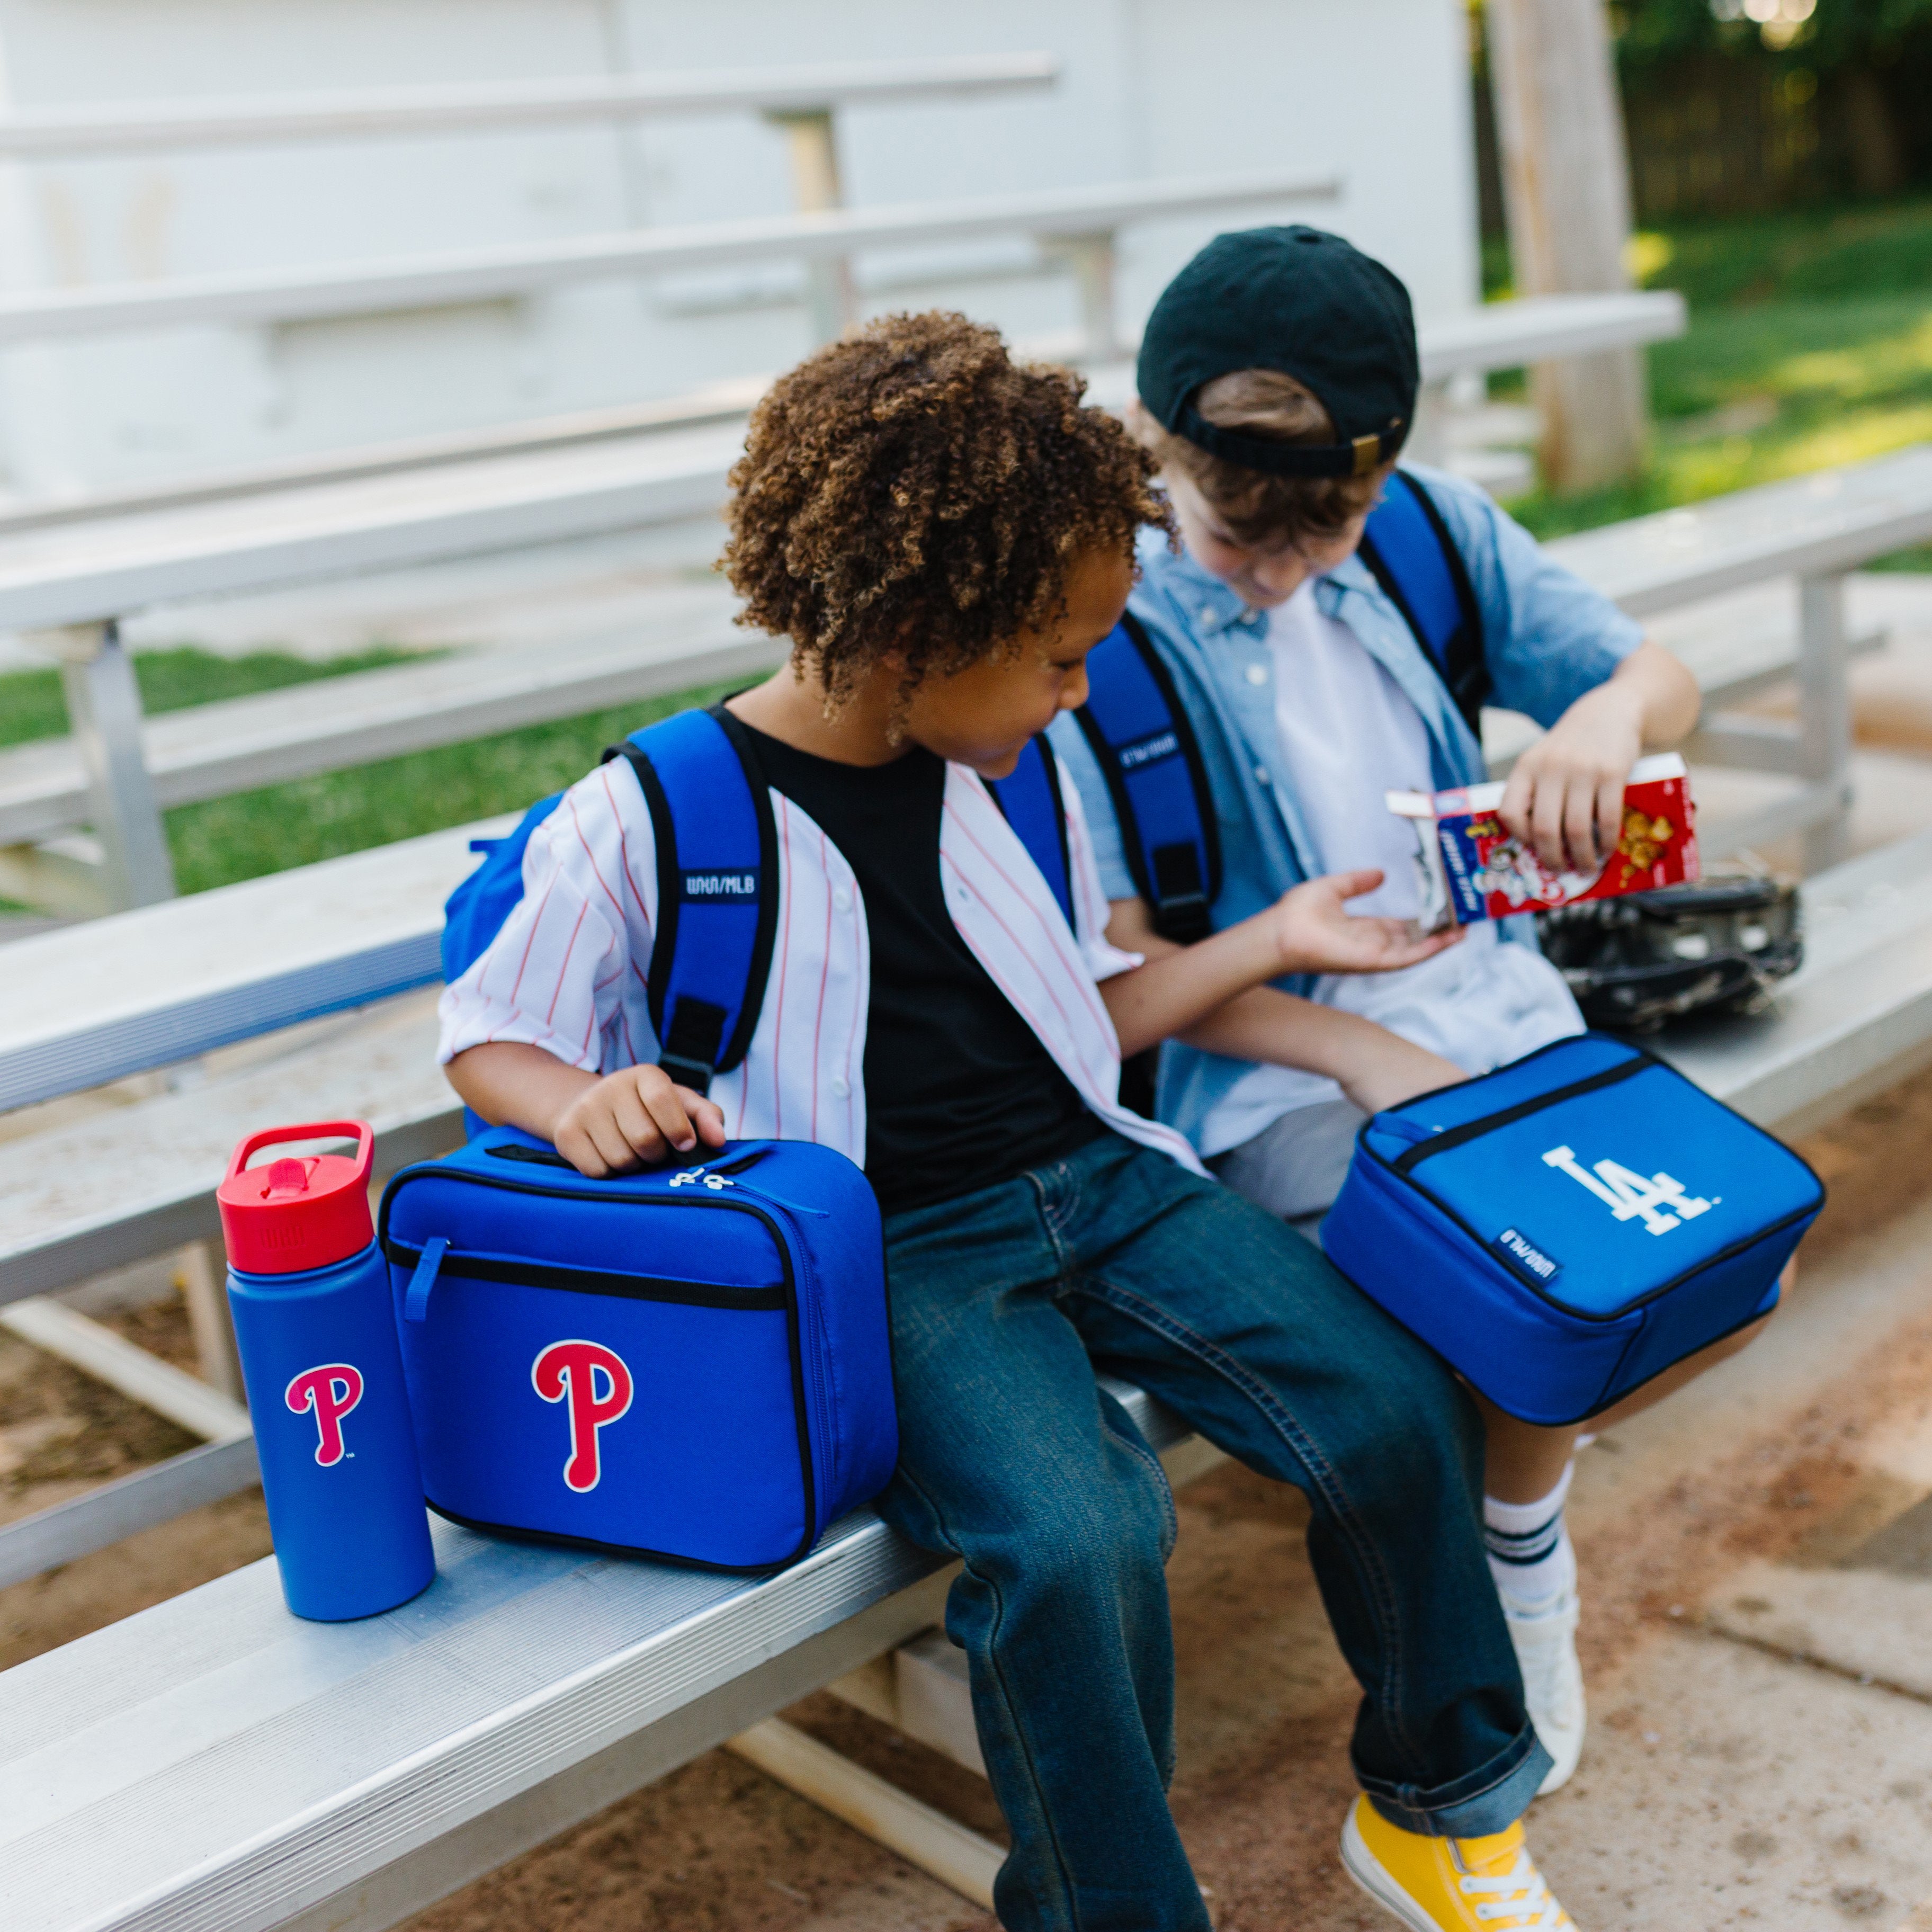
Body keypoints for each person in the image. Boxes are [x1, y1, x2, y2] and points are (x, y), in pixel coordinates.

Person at [439, 311, 1581, 1932]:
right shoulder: (659, 808)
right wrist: (583, 1100)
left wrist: (1271, 948)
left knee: (1392, 1403)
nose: (1082, 685)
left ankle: (1442, 1807)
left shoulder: (1015, 771)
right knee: (1078, 1531)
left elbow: (1090, 1015)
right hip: (891, 1251)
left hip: (1099, 1177)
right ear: (917, 624)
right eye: (1057, 652)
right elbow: (491, 1035)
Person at [1051, 224, 1761, 1799]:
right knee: (1518, 1291)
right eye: (1244, 529)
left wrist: (1598, 719)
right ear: (1160, 445)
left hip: (1503, 1014)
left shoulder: (1428, 535)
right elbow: (1114, 984)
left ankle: (1517, 1525)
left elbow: (1657, 672)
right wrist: (1356, 1041)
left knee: (1715, 1255)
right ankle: (1521, 1580)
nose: (1294, 562)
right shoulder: (1093, 629)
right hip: (1273, 1073)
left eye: (1335, 525)